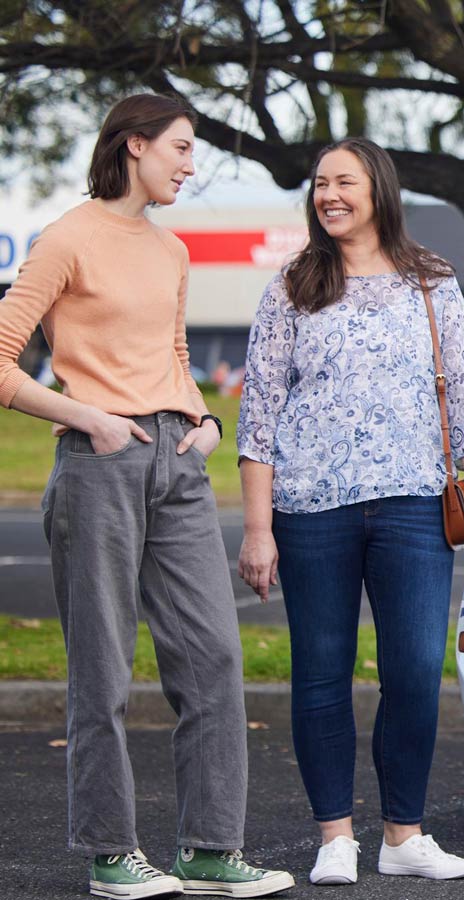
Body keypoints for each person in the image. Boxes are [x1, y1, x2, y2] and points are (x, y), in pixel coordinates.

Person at [0, 93, 293, 899]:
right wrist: (85, 416)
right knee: (102, 666)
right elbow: (2, 362)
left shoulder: (171, 251)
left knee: (214, 655)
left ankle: (210, 849)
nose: (191, 165)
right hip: (99, 460)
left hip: (178, 461)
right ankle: (110, 853)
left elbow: (171, 350)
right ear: (134, 146)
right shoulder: (67, 238)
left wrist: (201, 418)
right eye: (182, 147)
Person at [235, 137, 464, 886]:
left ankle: (404, 836)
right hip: (310, 509)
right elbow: (258, 416)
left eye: (343, 181)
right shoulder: (292, 285)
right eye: (320, 185)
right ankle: (334, 839)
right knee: (321, 672)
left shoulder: (431, 281)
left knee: (416, 671)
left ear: (377, 188)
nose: (329, 195)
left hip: (415, 505)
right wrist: (258, 530)